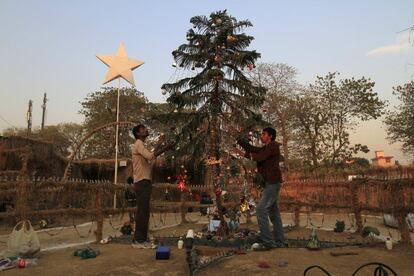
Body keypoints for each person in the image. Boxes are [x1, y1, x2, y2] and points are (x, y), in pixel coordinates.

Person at [237, 127, 285, 250]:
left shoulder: (274, 146)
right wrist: (240, 140)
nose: (261, 136)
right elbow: (253, 149)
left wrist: (243, 154)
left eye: (264, 134)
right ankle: (280, 241)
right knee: (274, 212)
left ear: (270, 136)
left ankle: (267, 241)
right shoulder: (267, 147)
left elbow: (260, 157)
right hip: (270, 183)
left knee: (260, 209)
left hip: (273, 183)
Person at [131, 124, 175, 248]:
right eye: (143, 129)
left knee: (144, 211)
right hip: (142, 181)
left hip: (143, 181)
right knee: (142, 212)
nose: (146, 130)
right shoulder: (138, 143)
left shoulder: (140, 145)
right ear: (138, 134)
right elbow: (151, 156)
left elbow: (149, 156)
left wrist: (160, 144)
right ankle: (139, 241)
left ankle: (140, 239)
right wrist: (166, 147)